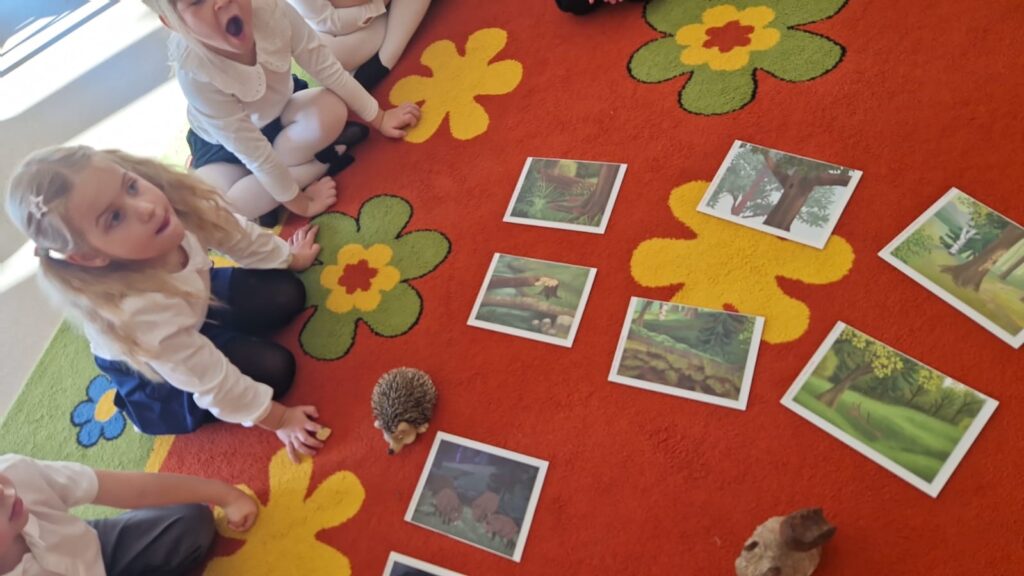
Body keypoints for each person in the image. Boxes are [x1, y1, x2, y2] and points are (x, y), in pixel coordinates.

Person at [6, 146, 324, 462]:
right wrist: (280, 419)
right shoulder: (135, 312)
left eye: (131, 186)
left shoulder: (170, 206)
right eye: (114, 218)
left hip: (194, 301)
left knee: (286, 293)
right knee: (276, 370)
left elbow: (233, 233)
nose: (145, 207)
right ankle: (148, 409)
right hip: (155, 365)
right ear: (89, 257)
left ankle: (208, 336)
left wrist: (289, 257)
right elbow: (212, 383)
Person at [143, 0, 421, 220]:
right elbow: (251, 150)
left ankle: (281, 186)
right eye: (197, 0)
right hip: (224, 147)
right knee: (216, 210)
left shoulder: (272, 10)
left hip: (286, 110)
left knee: (332, 110)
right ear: (173, 23)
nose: (221, 2)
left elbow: (325, 66)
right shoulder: (195, 72)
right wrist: (302, 203)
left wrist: (379, 117)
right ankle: (321, 162)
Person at [0, 453, 257, 575]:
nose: (5, 491)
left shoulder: (16, 473)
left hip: (91, 549)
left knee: (192, 523)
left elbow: (134, 490)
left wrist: (224, 494)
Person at [286, 0, 432, 91]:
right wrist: (379, 5)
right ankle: (397, 17)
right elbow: (330, 22)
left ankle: (386, 58)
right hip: (344, 29)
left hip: (373, 17)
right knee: (324, 54)